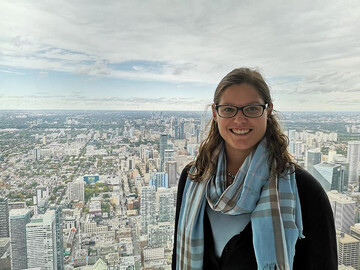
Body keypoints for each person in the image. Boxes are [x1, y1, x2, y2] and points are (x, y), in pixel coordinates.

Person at [172, 68, 337, 270]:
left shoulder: (305, 191)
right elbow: (177, 255)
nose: (239, 119)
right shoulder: (193, 178)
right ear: (216, 113)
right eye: (228, 109)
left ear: (268, 111)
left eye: (251, 109)